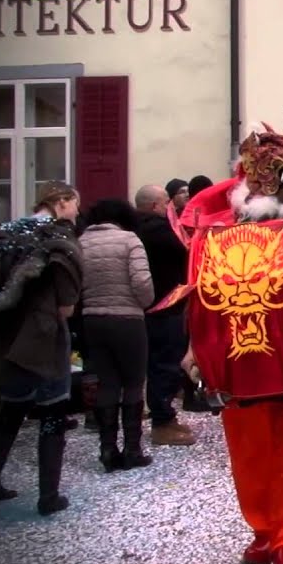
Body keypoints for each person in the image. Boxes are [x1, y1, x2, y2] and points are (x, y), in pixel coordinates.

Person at [174, 128, 283, 564]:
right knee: (248, 453)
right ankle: (263, 529)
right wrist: (195, 347)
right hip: (236, 356)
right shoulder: (220, 230)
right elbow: (205, 293)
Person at [0, 188, 84, 516]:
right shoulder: (57, 240)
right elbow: (65, 308)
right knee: (52, 415)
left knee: (10, 413)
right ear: (60, 202)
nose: (77, 213)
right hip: (44, 341)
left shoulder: (10, 232)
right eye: (74, 205)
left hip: (7, 342)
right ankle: (49, 496)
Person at [79, 198, 155, 471]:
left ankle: (108, 449)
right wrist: (145, 302)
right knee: (134, 382)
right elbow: (142, 283)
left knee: (107, 383)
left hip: (92, 319)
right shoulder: (129, 240)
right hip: (127, 319)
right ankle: (132, 449)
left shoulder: (81, 242)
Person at [134, 185, 196, 446]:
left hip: (155, 306)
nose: (169, 206)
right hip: (165, 307)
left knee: (162, 363)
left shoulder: (138, 229)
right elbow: (185, 251)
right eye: (165, 202)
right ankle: (162, 421)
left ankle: (165, 416)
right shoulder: (157, 230)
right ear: (154, 206)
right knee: (165, 364)